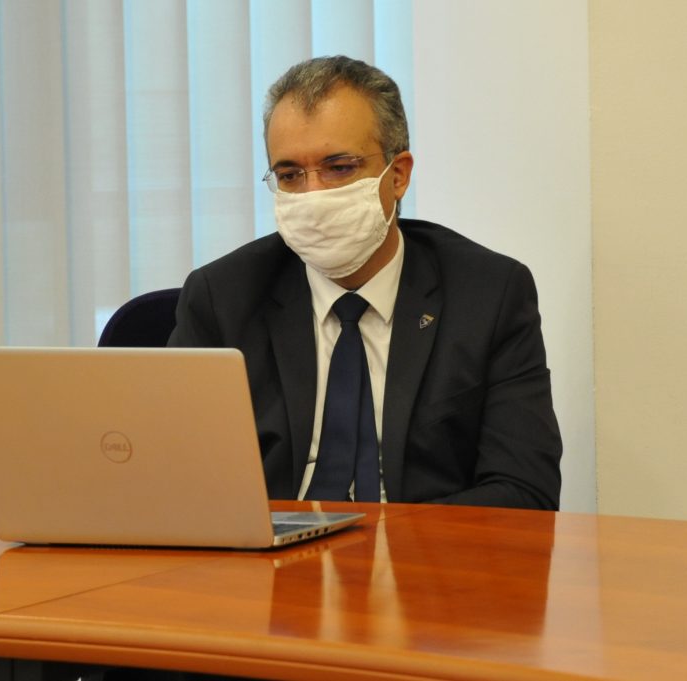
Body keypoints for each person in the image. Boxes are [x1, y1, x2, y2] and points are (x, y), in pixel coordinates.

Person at [169, 56, 562, 510]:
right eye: (290, 175)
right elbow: (175, 475)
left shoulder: (488, 294)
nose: (314, 196)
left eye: (339, 167)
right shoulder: (223, 296)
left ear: (398, 175)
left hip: (422, 546)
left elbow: (525, 489)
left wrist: (389, 540)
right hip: (273, 545)